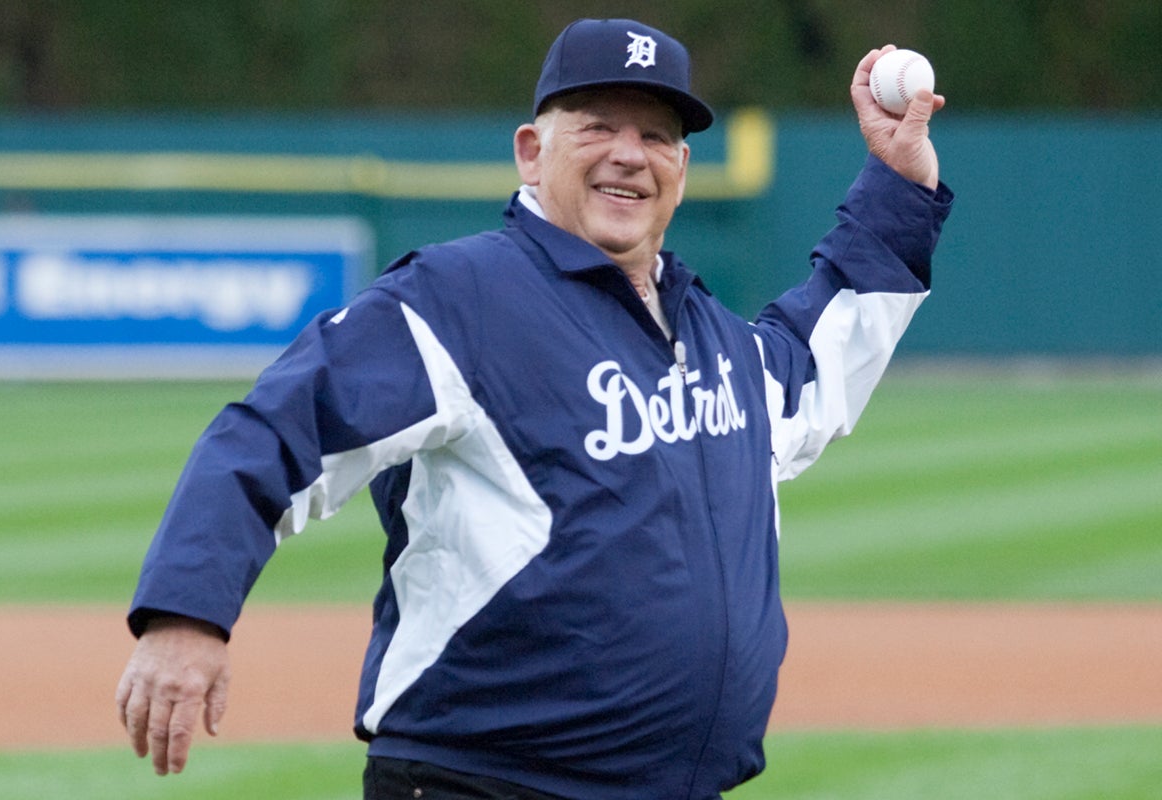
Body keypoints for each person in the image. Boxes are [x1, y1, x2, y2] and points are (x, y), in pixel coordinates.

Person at [116, 17, 951, 800]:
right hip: (485, 779)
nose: (630, 155)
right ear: (530, 151)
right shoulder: (457, 300)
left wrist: (900, 186)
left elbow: (811, 364)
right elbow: (279, 427)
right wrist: (187, 613)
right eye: (597, 125)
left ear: (683, 170)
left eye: (657, 135)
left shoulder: (709, 334)